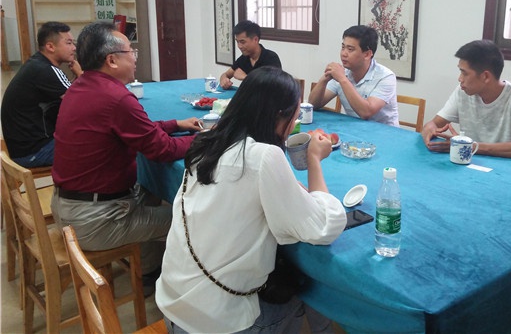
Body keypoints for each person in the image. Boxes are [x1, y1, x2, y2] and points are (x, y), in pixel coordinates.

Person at [156, 66, 346, 333]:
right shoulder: (264, 156)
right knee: (310, 294)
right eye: (293, 116)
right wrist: (314, 159)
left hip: (175, 305)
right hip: (219, 321)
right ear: (280, 116)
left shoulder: (207, 142)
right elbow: (322, 227)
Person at [50, 21, 202, 293]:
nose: (134, 57)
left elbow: (137, 130)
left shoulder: (81, 86)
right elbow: (162, 150)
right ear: (111, 60)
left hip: (69, 207)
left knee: (151, 189)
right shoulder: (116, 98)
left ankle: (147, 270)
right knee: (193, 222)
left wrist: (175, 124)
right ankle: (178, 285)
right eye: (130, 51)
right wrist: (205, 139)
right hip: (96, 219)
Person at [421, 39, 511, 159]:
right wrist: (429, 130)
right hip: (470, 164)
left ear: (485, 76)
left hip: (505, 167)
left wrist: (470, 146)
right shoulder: (462, 92)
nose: (460, 79)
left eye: (464, 73)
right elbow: (433, 124)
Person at [1, 21, 82, 167]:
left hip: (23, 147)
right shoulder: (46, 70)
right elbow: (83, 103)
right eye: (69, 43)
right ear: (50, 47)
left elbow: (70, 93)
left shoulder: (37, 63)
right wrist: (81, 74)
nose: (74, 48)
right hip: (35, 151)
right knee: (101, 144)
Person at [308, 25, 399, 127]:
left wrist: (342, 79)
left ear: (367, 54)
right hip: (354, 128)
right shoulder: (343, 72)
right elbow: (313, 105)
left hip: (384, 133)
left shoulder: (386, 77)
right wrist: (324, 80)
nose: (343, 54)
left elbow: (366, 112)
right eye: (343, 47)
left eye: (350, 49)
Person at [219, 20, 282, 89]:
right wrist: (224, 79)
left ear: (255, 40)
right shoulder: (243, 58)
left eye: (242, 42)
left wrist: (245, 77)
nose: (239, 46)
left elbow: (272, 86)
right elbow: (226, 74)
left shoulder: (271, 58)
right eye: (237, 42)